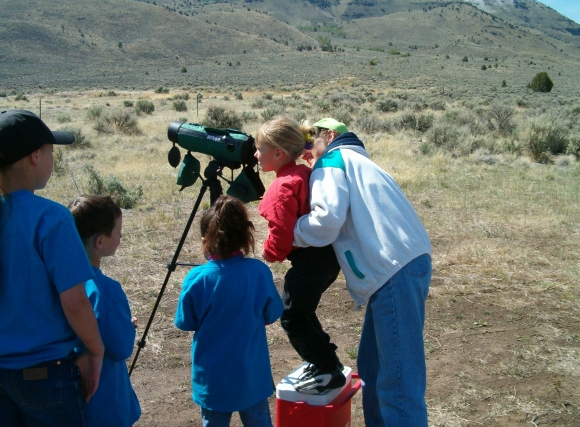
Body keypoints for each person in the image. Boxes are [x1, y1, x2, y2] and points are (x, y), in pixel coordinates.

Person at [293, 118, 433, 426]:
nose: (305, 152)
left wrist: (289, 232)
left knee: (397, 385)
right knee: (373, 369)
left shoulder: (332, 159)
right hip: (400, 269)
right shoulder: (355, 161)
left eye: (308, 141)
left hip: (393, 272)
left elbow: (326, 222)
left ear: (330, 135)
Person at [0, 109, 104, 426]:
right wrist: (95, 350)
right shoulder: (51, 218)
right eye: (50, 151)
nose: (51, 159)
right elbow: (75, 301)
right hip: (47, 372)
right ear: (35, 156)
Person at [174, 195, 283, 427]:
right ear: (245, 236)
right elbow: (272, 314)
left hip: (212, 380)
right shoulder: (258, 272)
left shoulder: (196, 278)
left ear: (205, 240)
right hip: (251, 376)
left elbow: (185, 322)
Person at [254, 115, 344, 395]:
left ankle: (327, 368)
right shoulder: (302, 173)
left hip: (310, 261)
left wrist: (269, 253)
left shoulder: (281, 187)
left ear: (278, 153)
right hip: (328, 257)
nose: (256, 155)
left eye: (260, 149)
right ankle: (321, 360)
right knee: (302, 311)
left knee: (292, 316)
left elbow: (281, 233)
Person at [68, 195, 141, 427]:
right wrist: (127, 327)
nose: (120, 236)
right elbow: (121, 347)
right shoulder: (105, 291)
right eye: (117, 231)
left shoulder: (60, 282)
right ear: (100, 241)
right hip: (104, 398)